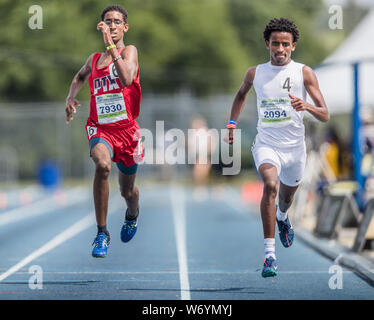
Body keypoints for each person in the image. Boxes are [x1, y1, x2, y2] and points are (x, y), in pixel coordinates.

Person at [227, 18, 329, 277]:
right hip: (267, 143)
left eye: (285, 44)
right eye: (275, 44)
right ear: (267, 44)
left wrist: (307, 106)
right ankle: (270, 255)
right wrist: (231, 122)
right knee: (270, 185)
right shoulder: (255, 73)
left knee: (286, 198)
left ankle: (283, 217)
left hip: (295, 148)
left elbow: (325, 114)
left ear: (293, 46)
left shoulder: (304, 72)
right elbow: (241, 94)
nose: (280, 49)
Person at [65, 4, 143, 258]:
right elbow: (79, 77)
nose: (112, 25)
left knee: (127, 191)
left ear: (125, 27)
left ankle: (132, 214)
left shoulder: (129, 51)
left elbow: (127, 79)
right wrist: (70, 98)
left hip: (127, 132)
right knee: (102, 165)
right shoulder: (94, 59)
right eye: (107, 21)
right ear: (102, 25)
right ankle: (101, 232)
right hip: (100, 128)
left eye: (117, 21)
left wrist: (111, 46)